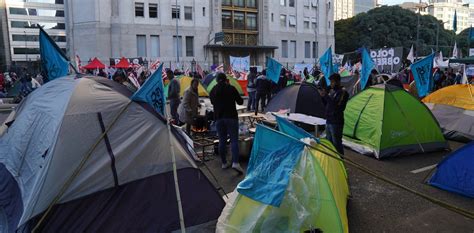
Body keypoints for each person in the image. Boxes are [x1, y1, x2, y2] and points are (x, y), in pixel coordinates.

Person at [210, 73, 244, 174]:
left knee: (222, 141)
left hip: (219, 118)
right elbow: (240, 102)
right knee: (234, 140)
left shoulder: (213, 91)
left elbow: (212, 102)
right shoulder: (231, 88)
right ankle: (235, 163)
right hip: (231, 117)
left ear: (216, 80)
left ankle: (224, 163)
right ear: (226, 80)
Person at [319, 73, 349, 155]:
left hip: (336, 121)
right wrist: (322, 96)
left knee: (337, 143)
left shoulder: (343, 92)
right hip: (329, 120)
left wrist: (326, 96)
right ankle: (332, 160)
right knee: (329, 142)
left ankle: (340, 160)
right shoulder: (332, 91)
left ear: (338, 82)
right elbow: (327, 104)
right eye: (330, 82)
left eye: (333, 82)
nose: (331, 84)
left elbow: (336, 106)